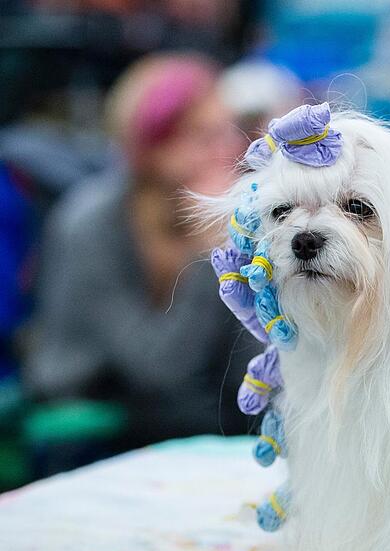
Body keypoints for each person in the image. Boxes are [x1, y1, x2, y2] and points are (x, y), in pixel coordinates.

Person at [24, 53, 257, 458]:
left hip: (178, 415)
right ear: (151, 145)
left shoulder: (222, 218)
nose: (227, 153)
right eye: (203, 136)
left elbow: (248, 369)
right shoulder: (91, 225)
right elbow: (158, 369)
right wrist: (212, 254)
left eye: (229, 134)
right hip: (92, 424)